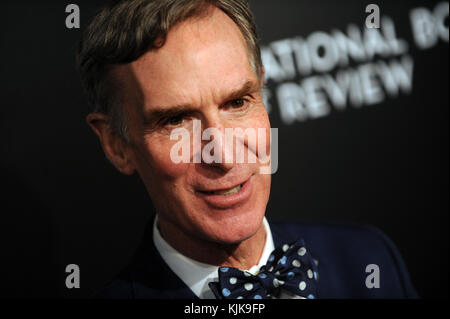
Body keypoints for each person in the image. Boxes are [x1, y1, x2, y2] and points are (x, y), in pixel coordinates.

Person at [77, 0, 417, 299]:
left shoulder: (368, 259)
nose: (223, 154)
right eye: (176, 120)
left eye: (238, 102)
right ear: (116, 144)